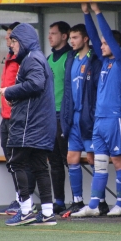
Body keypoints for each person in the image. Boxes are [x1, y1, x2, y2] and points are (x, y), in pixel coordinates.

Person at [71, 2, 121, 217]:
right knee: (99, 163)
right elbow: (95, 38)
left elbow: (103, 35)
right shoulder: (104, 61)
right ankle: (94, 205)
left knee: (117, 161)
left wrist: (98, 12)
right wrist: (86, 14)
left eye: (106, 43)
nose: (101, 46)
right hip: (99, 119)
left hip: (116, 119)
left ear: (115, 45)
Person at [0, 23, 57, 226]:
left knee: (16, 163)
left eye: (13, 41)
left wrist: (9, 91)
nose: (11, 46)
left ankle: (25, 210)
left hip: (28, 124)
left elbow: (36, 84)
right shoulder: (37, 57)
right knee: (40, 167)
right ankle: (48, 213)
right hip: (41, 123)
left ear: (22, 41)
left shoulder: (32, 59)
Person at [59, 24, 105, 217]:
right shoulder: (71, 58)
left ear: (86, 39)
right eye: (70, 37)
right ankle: (77, 200)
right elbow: (68, 90)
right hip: (74, 117)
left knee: (93, 158)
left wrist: (94, 114)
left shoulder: (94, 59)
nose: (72, 41)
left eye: (75, 37)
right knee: (72, 158)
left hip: (89, 118)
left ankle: (100, 202)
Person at [0, 21, 39, 216]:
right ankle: (19, 198)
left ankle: (26, 201)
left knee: (22, 161)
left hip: (19, 117)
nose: (8, 40)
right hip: (6, 117)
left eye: (11, 36)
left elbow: (29, 85)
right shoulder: (9, 56)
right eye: (7, 36)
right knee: (12, 161)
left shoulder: (24, 58)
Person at [46, 21, 72, 214]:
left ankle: (77, 199)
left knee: (68, 159)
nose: (50, 37)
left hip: (63, 117)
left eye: (54, 33)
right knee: (54, 162)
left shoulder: (70, 57)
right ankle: (59, 201)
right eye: (49, 33)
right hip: (49, 117)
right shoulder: (48, 59)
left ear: (64, 36)